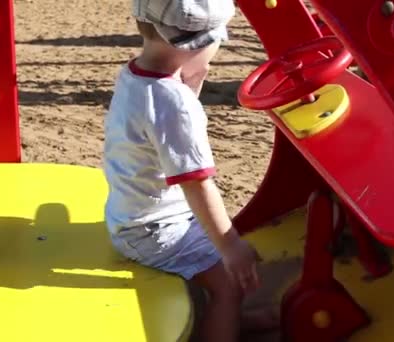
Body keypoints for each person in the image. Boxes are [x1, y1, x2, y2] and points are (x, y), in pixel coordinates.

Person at [103, 1, 277, 341]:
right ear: (197, 45)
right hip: (155, 231)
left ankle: (231, 321)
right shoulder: (173, 104)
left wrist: (189, 85)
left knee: (227, 261)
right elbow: (197, 184)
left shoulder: (135, 75)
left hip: (131, 218)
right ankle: (224, 327)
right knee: (229, 281)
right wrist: (230, 247)